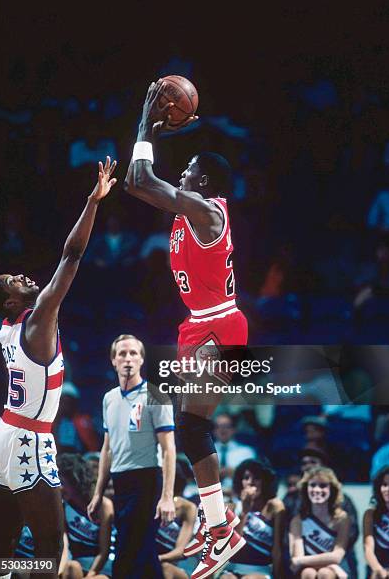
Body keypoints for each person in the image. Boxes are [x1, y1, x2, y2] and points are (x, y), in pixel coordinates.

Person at [124, 80, 248, 578]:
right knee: (190, 426)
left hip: (221, 324)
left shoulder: (206, 211)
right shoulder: (188, 211)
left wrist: (146, 118)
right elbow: (141, 183)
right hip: (198, 324)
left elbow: (141, 180)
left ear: (204, 182)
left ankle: (222, 530)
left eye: (191, 167)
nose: (184, 169)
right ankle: (220, 526)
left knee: (194, 427)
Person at [0, 157, 117, 577]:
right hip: (29, 437)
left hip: (4, 432)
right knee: (50, 545)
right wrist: (93, 201)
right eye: (13, 281)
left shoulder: (6, 329)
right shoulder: (37, 318)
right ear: (12, 303)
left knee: (2, 543)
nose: (24, 277)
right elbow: (72, 254)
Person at [87, 334, 176, 579]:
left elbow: (169, 449)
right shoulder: (109, 398)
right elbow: (108, 448)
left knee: (128, 553)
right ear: (113, 361)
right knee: (143, 556)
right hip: (121, 483)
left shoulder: (155, 395)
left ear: (141, 360)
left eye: (133, 353)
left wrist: (167, 497)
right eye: (122, 354)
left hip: (147, 480)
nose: (128, 358)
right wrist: (98, 493)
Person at [221, 458, 285, 579]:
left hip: (261, 570)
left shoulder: (274, 506)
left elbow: (277, 549)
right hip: (233, 568)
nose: (251, 482)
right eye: (246, 478)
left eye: (256, 478)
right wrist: (244, 512)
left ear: (265, 481)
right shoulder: (232, 507)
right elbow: (232, 547)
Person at [57, 452, 114, 579]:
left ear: (75, 481)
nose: (59, 487)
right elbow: (64, 545)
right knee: (72, 567)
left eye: (62, 482)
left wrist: (91, 575)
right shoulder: (63, 506)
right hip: (76, 565)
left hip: (100, 567)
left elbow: (104, 551)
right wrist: (59, 572)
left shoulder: (104, 506)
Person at [289, 467, 351, 578]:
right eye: (312, 485)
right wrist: (331, 562)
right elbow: (297, 560)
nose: (317, 490)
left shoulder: (342, 519)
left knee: (325, 573)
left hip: (334, 571)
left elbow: (337, 557)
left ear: (332, 489)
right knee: (308, 573)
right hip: (306, 571)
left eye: (323, 486)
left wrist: (333, 566)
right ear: (305, 489)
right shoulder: (297, 521)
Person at [157, 460, 198, 579]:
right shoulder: (149, 502)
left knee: (165, 568)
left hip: (177, 565)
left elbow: (181, 551)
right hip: (149, 562)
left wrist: (157, 559)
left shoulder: (187, 508)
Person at [363, 465, 389, 578]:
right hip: (378, 564)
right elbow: (368, 548)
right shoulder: (370, 514)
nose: (388, 489)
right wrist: (378, 569)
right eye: (384, 485)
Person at [213, 413, 257, 494]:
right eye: (219, 426)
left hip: (238, 494)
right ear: (214, 430)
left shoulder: (247, 452)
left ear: (234, 429)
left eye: (226, 426)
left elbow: (253, 478)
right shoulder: (204, 453)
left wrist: (236, 473)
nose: (222, 430)